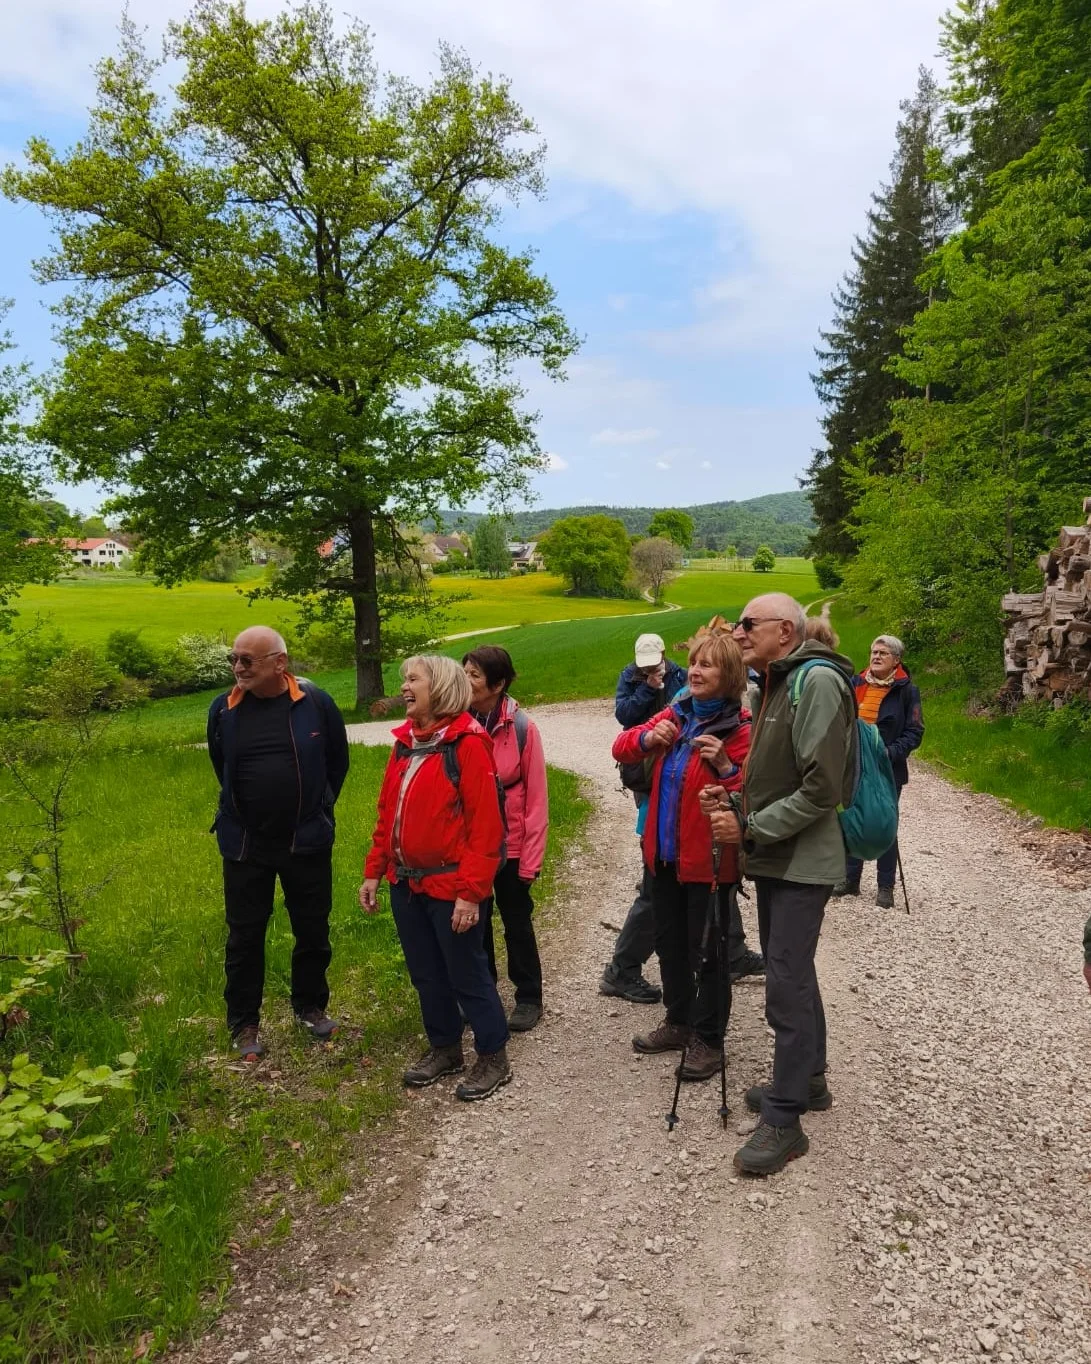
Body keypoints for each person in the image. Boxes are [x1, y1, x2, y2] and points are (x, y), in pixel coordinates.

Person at [704, 593, 856, 1175]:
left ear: (785, 631)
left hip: (797, 860)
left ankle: (786, 1119)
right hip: (775, 856)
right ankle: (809, 1081)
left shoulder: (813, 682)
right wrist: (733, 792)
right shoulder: (777, 680)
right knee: (794, 971)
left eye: (748, 624)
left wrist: (749, 826)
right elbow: (777, 775)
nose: (738, 633)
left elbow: (823, 788)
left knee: (784, 984)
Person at [360, 654, 512, 1102]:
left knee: (467, 973)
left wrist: (471, 894)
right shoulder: (405, 743)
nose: (404, 686)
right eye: (403, 679)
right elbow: (388, 813)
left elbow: (487, 829)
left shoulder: (468, 742)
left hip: (451, 887)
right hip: (406, 883)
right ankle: (445, 1048)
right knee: (426, 973)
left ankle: (493, 1055)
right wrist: (374, 871)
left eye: (413, 679)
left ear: (440, 686)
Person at [612, 633, 751, 1082]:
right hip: (664, 857)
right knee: (670, 947)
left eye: (707, 665)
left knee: (709, 953)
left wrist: (727, 769)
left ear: (728, 675)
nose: (695, 670)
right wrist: (649, 737)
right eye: (693, 662)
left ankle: (709, 1041)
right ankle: (678, 1021)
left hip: (709, 863)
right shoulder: (676, 713)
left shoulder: (741, 729)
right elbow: (622, 746)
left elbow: (752, 796)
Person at [207, 626, 349, 1061]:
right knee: (244, 936)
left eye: (248, 660)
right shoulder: (223, 710)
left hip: (305, 840)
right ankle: (244, 1023)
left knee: (312, 929)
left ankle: (309, 1007)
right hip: (246, 844)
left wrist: (318, 809)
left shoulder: (316, 704)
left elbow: (336, 764)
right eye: (234, 658)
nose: (238, 667)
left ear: (279, 663)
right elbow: (221, 766)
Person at [462, 646, 549, 1032]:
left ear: (497, 684)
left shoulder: (522, 729)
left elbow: (537, 799)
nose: (466, 681)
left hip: (512, 848)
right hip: (472, 849)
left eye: (474, 675)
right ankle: (484, 995)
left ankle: (529, 998)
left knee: (517, 923)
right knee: (474, 923)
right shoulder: (458, 724)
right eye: (464, 672)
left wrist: (530, 860)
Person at [599, 633, 688, 1004]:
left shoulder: (682, 676)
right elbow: (625, 718)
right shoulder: (631, 676)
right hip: (647, 772)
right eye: (644, 662)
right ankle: (623, 969)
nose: (650, 667)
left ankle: (727, 951)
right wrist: (647, 690)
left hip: (673, 774)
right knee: (658, 881)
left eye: (654, 662)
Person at [833, 634, 924, 908]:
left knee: (885, 821)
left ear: (896, 660)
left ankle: (886, 886)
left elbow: (915, 732)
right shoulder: (855, 683)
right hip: (854, 764)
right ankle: (850, 880)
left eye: (883, 653)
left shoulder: (906, 690)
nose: (876, 656)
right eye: (874, 651)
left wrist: (889, 753)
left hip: (887, 767)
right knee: (853, 817)